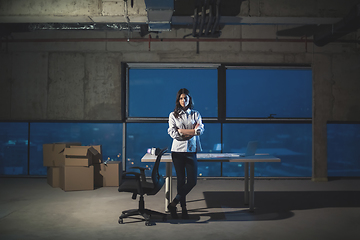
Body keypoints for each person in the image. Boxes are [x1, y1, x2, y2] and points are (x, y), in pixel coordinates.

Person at [167, 88, 205, 219]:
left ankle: (173, 203)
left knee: (192, 181)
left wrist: (183, 131)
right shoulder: (173, 115)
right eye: (181, 98)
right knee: (181, 181)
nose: (184, 100)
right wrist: (192, 132)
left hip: (191, 151)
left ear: (190, 99)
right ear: (178, 100)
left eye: (186, 98)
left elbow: (199, 131)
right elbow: (173, 134)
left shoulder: (195, 114)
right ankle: (183, 209)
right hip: (177, 151)